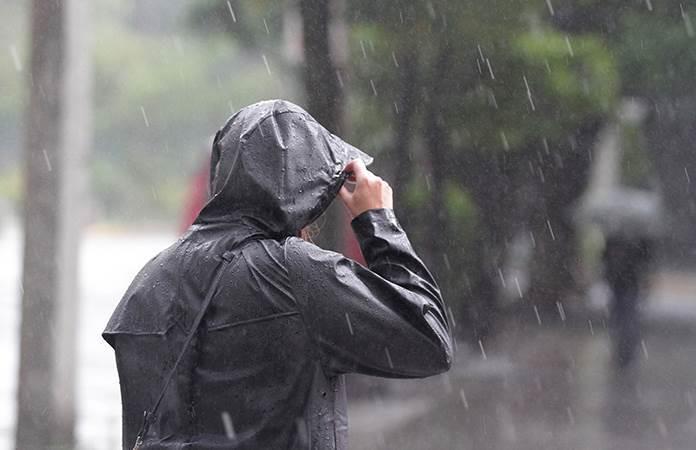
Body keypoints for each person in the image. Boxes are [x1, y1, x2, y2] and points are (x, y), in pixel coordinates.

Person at [103, 99, 453, 449]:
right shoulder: (293, 273)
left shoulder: (149, 283)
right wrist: (377, 220)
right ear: (305, 193)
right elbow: (429, 339)